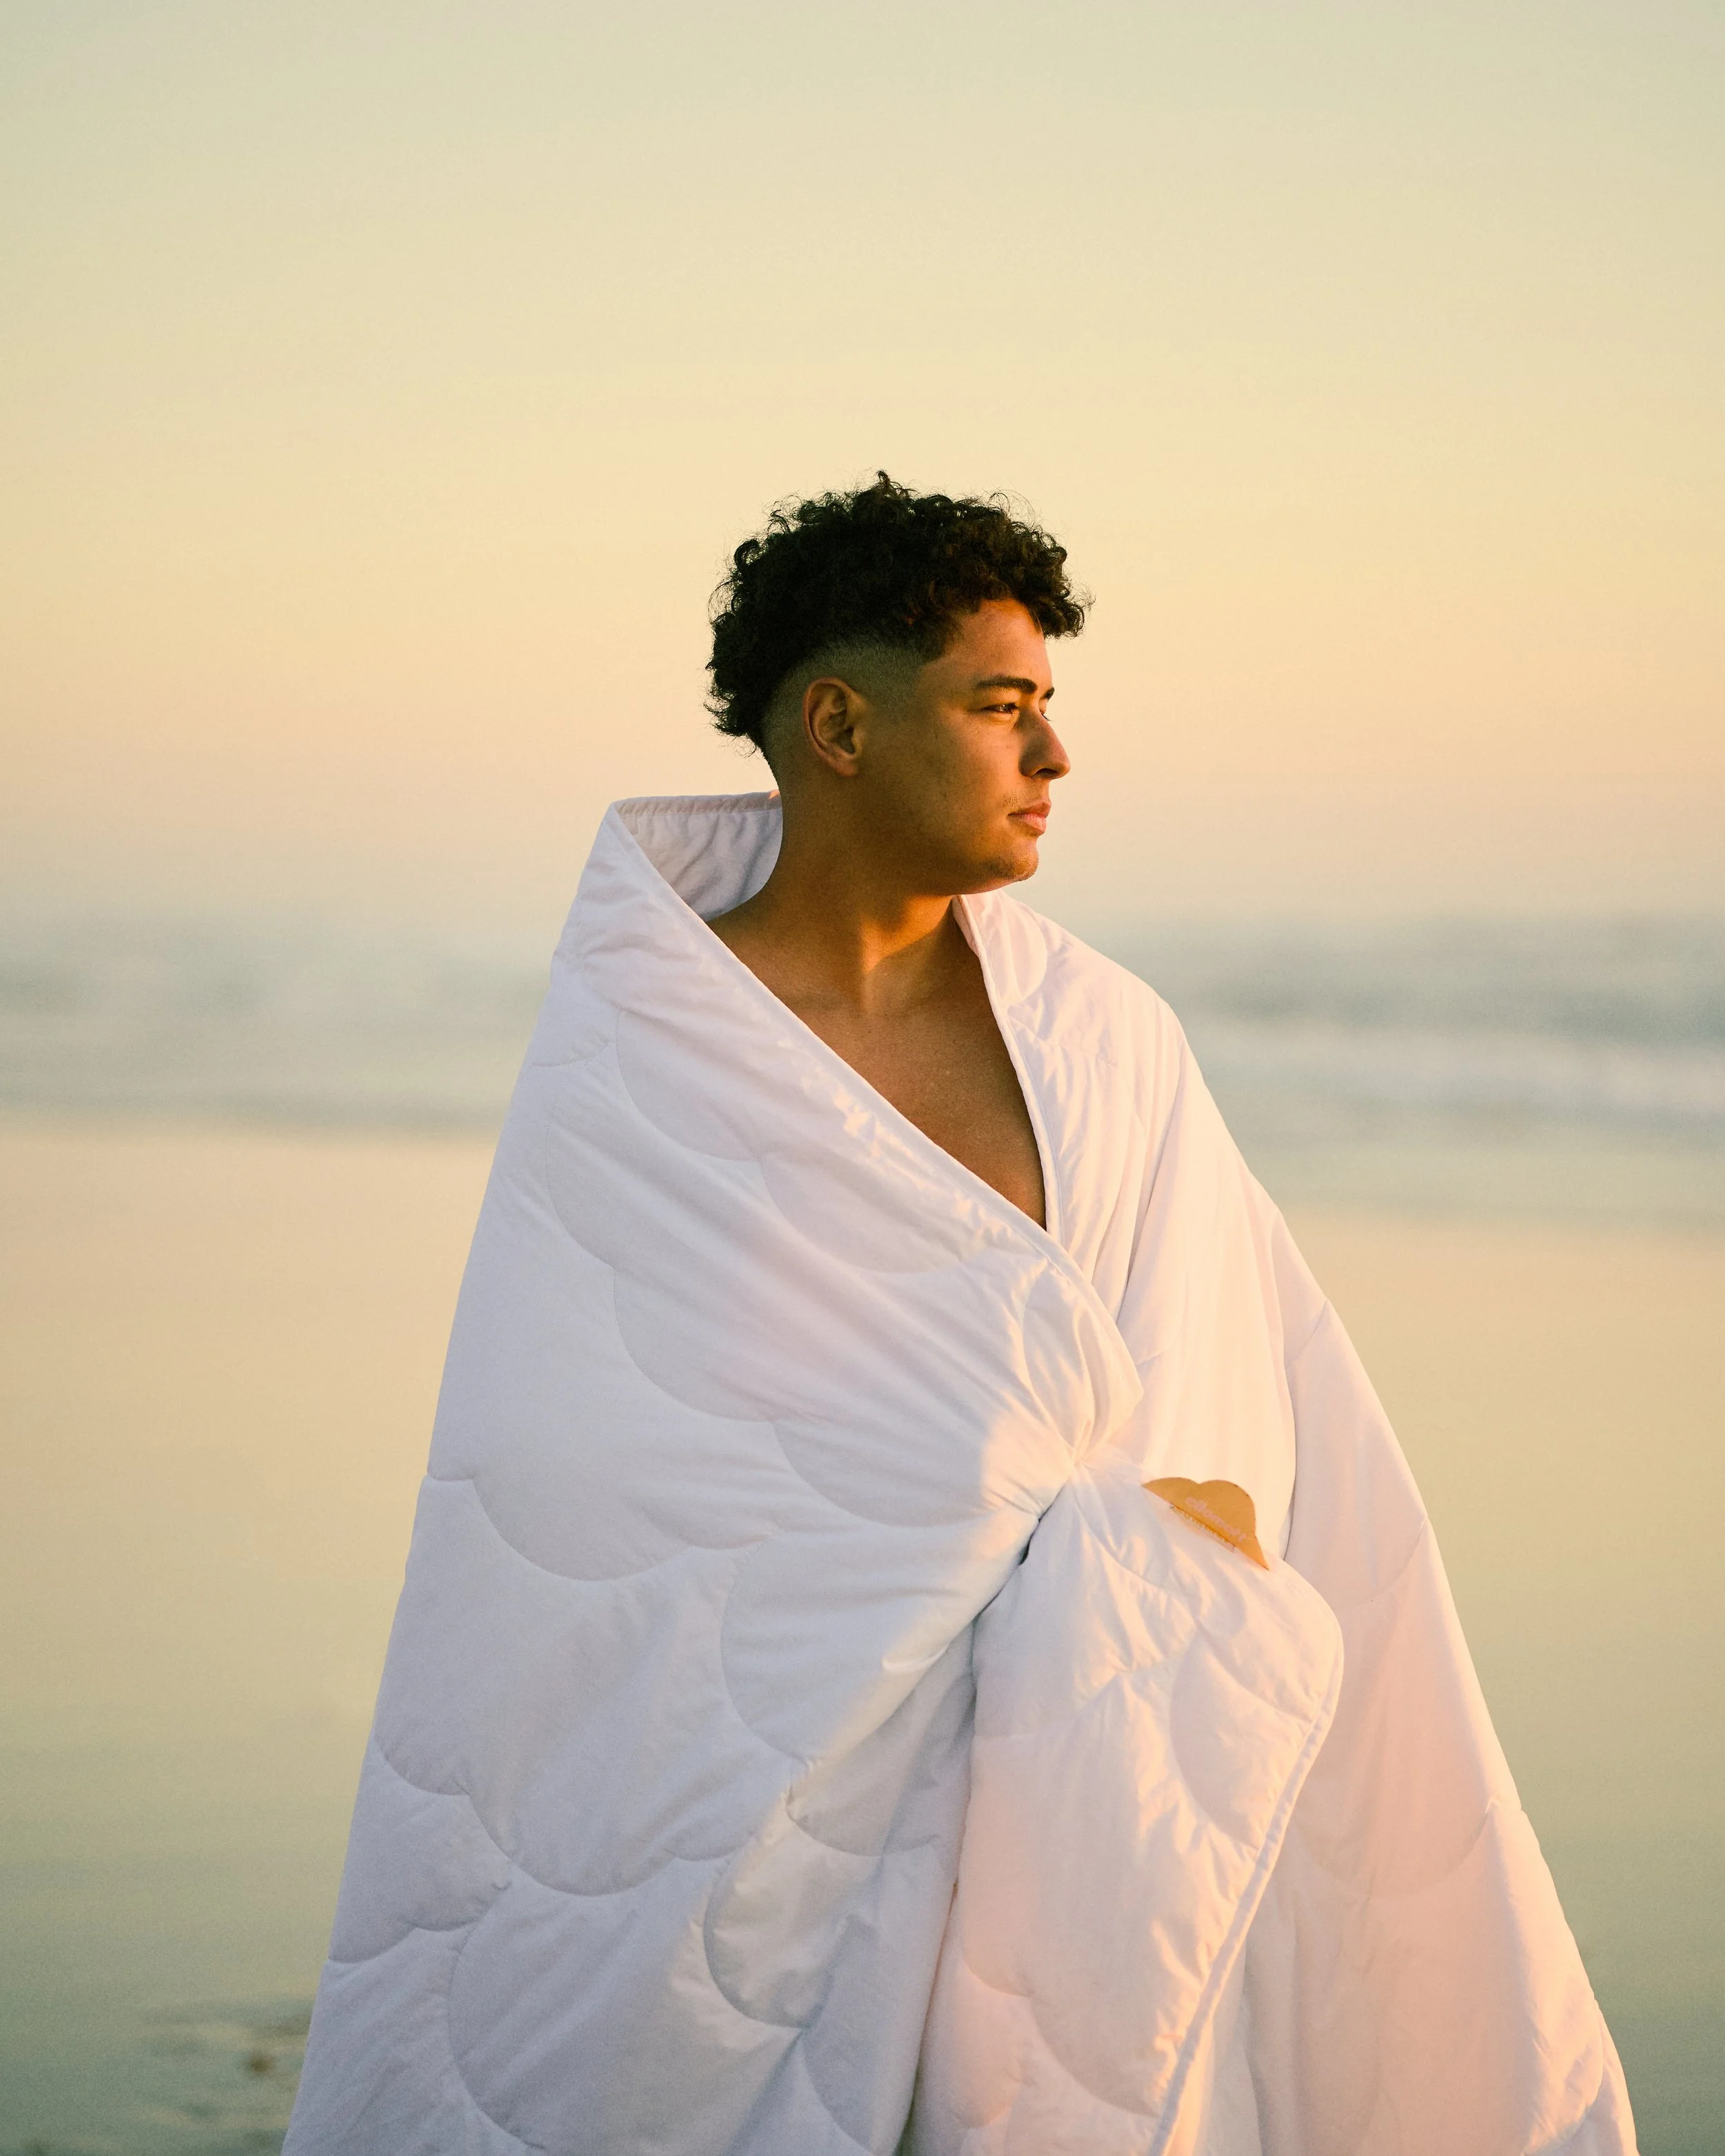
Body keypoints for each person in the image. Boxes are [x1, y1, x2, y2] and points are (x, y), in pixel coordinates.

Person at [286, 477, 1635, 2155]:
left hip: (1085, 1760)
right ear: (838, 723)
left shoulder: (1107, 1046)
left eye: (1050, 711)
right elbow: (579, 1482)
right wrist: (931, 1526)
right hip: (725, 1787)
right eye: (1002, 711)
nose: (1052, 760)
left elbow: (1229, 1403)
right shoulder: (655, 1057)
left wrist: (1129, 1536)